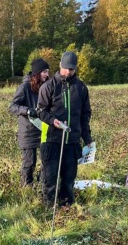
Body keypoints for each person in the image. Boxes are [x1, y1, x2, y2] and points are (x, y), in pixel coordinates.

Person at [37, 51, 93, 206]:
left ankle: (67, 208)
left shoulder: (81, 88)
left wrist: (87, 138)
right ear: (60, 65)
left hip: (72, 142)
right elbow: (41, 111)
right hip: (51, 140)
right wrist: (52, 120)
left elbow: (85, 114)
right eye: (66, 68)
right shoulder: (48, 87)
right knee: (51, 179)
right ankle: (49, 208)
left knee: (68, 180)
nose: (68, 72)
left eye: (72, 69)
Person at [9, 58, 50, 186]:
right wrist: (27, 110)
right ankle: (26, 189)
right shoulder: (25, 87)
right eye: (44, 72)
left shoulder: (47, 86)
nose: (47, 75)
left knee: (47, 161)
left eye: (48, 72)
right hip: (28, 131)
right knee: (29, 162)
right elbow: (12, 106)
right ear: (37, 73)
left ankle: (41, 184)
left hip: (43, 130)